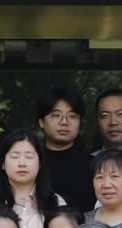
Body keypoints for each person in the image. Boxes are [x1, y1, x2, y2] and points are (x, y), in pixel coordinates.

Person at [37, 86, 96, 214]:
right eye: (56, 115)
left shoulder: (94, 166)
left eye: (72, 116)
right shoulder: (31, 164)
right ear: (41, 122)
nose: (64, 122)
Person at [94, 87, 122, 152]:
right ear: (97, 122)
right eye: (105, 116)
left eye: (121, 114)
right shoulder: (90, 158)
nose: (113, 122)